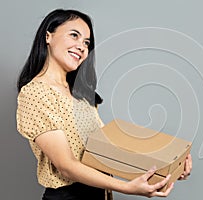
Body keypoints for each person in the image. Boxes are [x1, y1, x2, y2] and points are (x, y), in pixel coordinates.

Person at [16, 8, 192, 200]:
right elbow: (66, 166)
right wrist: (127, 188)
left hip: (99, 194)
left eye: (86, 42)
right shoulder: (35, 93)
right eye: (74, 35)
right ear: (48, 36)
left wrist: (168, 168)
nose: (82, 47)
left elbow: (105, 154)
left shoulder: (80, 95)